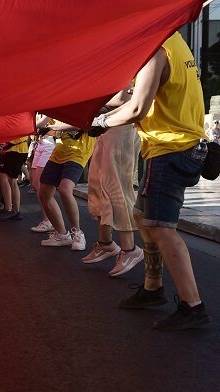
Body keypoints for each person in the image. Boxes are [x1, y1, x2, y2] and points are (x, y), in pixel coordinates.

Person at [88, 31, 209, 330]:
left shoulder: (157, 49)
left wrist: (99, 122)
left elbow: (137, 107)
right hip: (178, 147)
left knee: (160, 227)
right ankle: (153, 289)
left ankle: (193, 307)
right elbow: (130, 98)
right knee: (143, 217)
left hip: (170, 148)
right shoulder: (175, 42)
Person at [82, 88, 145, 277]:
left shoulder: (130, 62)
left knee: (116, 186)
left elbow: (127, 97)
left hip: (121, 123)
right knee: (97, 185)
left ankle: (130, 249)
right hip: (106, 123)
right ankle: (106, 244)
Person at [37, 128, 93, 251]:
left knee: (65, 189)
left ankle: (77, 233)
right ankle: (61, 234)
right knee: (43, 192)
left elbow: (80, 123)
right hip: (59, 151)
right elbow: (52, 129)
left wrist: (54, 127)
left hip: (79, 151)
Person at [0, 136, 30, 221]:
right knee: (11, 181)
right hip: (17, 150)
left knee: (3, 178)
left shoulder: (20, 122)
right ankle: (14, 211)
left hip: (16, 150)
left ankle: (9, 210)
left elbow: (16, 137)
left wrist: (5, 147)